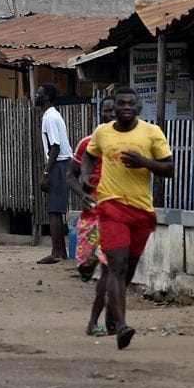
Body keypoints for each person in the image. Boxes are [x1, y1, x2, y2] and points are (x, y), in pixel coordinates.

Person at [80, 87, 173, 350]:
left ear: (138, 107)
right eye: (121, 103)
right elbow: (89, 154)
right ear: (115, 107)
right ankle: (122, 326)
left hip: (141, 211)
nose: (126, 107)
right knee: (116, 265)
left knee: (128, 268)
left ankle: (112, 313)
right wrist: (86, 177)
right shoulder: (103, 132)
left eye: (131, 103)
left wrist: (145, 162)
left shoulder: (151, 133)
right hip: (110, 206)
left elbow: (169, 167)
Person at [67, 96, 115, 336]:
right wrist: (83, 194)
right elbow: (70, 176)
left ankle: (98, 321)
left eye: (115, 111)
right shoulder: (87, 144)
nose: (111, 115)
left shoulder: (129, 146)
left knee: (109, 270)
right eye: (107, 111)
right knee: (87, 265)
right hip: (91, 214)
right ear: (101, 113)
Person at [35, 83, 73, 264]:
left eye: (39, 93)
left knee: (53, 211)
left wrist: (46, 172)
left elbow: (55, 147)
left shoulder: (50, 118)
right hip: (63, 165)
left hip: (59, 165)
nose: (36, 96)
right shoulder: (53, 115)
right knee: (56, 211)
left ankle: (56, 253)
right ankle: (61, 252)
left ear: (47, 97)